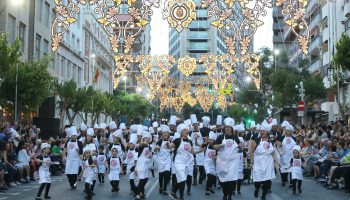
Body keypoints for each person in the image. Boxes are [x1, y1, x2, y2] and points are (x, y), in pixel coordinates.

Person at [169, 123, 204, 200]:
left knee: (182, 179)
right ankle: (181, 197)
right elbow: (171, 145)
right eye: (184, 130)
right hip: (178, 162)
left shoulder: (190, 141)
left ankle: (173, 192)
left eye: (187, 130)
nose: (186, 132)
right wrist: (168, 145)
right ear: (181, 132)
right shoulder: (177, 140)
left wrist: (200, 151)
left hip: (186, 163)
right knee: (182, 179)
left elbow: (192, 152)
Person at [213, 117, 242, 200]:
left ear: (232, 129)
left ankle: (229, 196)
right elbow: (213, 147)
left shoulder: (236, 138)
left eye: (229, 127)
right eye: (226, 127)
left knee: (232, 180)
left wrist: (240, 147)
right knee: (223, 180)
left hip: (233, 164)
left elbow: (240, 150)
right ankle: (225, 193)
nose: (227, 129)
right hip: (222, 162)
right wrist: (219, 146)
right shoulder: (220, 137)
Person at [250, 121, 279, 200]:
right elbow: (251, 151)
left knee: (267, 180)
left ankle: (263, 195)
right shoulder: (256, 140)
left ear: (267, 132)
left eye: (263, 131)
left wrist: (277, 161)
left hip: (268, 162)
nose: (261, 132)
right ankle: (256, 189)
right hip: (258, 162)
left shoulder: (270, 141)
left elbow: (273, 152)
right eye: (260, 130)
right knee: (257, 180)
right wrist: (251, 162)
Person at [276, 122, 296, 186]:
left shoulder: (294, 138)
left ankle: (292, 181)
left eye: (288, 131)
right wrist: (280, 153)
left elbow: (295, 147)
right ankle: (283, 180)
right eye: (286, 130)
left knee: (292, 168)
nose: (287, 132)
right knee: (283, 168)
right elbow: (278, 146)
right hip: (284, 155)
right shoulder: (281, 138)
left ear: (290, 132)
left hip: (292, 155)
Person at [135, 131, 152, 200]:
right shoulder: (141, 146)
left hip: (146, 165)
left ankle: (141, 192)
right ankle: (138, 194)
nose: (147, 139)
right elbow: (141, 145)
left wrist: (150, 153)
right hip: (140, 165)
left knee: (145, 179)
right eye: (145, 138)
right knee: (142, 179)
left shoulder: (149, 147)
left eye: (148, 138)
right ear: (143, 139)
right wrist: (143, 143)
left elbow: (150, 156)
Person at [156, 125, 172, 195]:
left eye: (166, 132)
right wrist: (157, 148)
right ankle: (160, 187)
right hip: (160, 160)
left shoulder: (170, 141)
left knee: (166, 174)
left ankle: (165, 189)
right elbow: (157, 146)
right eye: (164, 132)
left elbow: (172, 148)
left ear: (168, 134)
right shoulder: (159, 141)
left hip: (168, 160)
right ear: (162, 134)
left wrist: (171, 149)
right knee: (161, 174)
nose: (165, 134)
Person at [203, 131, 217, 196]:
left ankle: (210, 187)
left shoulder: (216, 147)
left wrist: (216, 157)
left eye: (212, 140)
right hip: (206, 163)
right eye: (210, 140)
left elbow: (219, 155)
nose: (211, 141)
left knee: (214, 177)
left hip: (213, 163)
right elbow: (200, 146)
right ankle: (207, 190)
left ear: (214, 141)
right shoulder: (206, 145)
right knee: (209, 176)